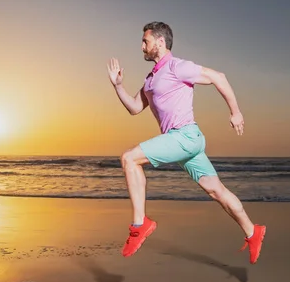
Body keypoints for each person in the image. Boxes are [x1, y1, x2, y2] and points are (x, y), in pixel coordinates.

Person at [106, 21, 266, 264]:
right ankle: (253, 232)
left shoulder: (177, 66)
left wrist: (235, 112)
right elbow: (135, 108)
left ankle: (140, 225)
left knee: (129, 159)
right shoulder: (151, 79)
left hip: (184, 136)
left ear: (160, 42)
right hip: (183, 144)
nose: (141, 47)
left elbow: (217, 77)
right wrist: (118, 86)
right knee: (217, 191)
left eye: (145, 42)